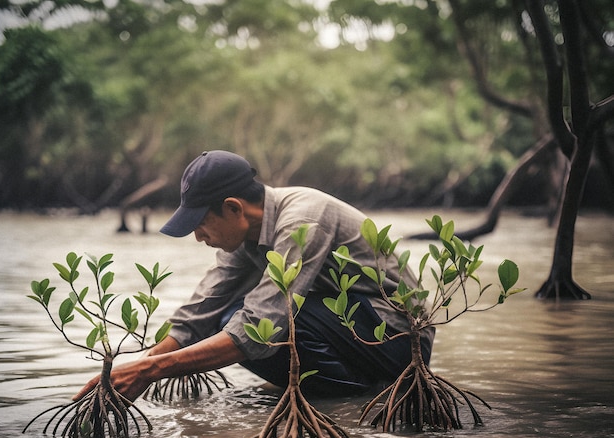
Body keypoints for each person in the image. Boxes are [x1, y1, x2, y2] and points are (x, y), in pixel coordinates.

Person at [75, 150, 434, 402]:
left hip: (397, 337)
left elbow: (260, 324)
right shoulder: (246, 236)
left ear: (234, 208)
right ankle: (338, 390)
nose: (200, 238)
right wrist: (140, 366)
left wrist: (153, 371)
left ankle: (356, 394)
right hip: (350, 330)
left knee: (246, 321)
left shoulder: (303, 219)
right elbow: (199, 311)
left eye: (201, 225)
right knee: (226, 314)